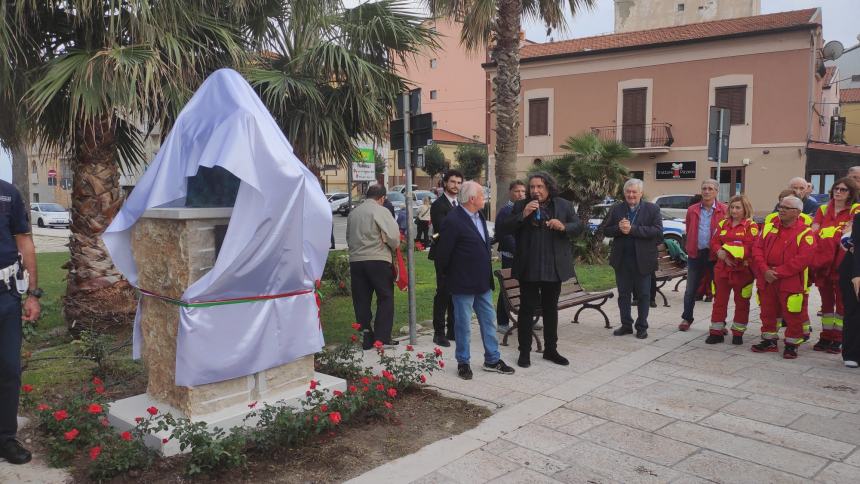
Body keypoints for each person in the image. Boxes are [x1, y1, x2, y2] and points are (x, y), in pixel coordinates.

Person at [496, 172, 583, 368]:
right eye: (532, 187)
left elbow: (578, 227)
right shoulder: (520, 205)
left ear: (548, 188)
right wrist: (523, 214)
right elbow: (502, 230)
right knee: (526, 310)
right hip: (529, 267)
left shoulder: (563, 205)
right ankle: (524, 352)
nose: (535, 191)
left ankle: (551, 350)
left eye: (539, 187)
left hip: (554, 267)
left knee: (551, 310)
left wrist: (564, 226)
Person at [434, 181, 516, 380]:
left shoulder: (478, 215)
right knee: (463, 325)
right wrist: (448, 277)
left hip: (482, 281)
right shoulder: (453, 220)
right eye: (482, 195)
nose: (484, 198)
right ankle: (463, 361)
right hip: (462, 282)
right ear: (472, 199)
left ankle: (492, 359)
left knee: (488, 321)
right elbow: (442, 254)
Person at [0, 179, 42, 465]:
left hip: (6, 296)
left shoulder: (8, 193)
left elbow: (24, 241)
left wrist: (33, 295)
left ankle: (4, 438)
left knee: (9, 370)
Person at [751, 196, 814, 359]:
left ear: (798, 212)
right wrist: (765, 270)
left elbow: (802, 259)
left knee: (793, 313)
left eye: (787, 208)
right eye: (780, 206)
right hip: (767, 277)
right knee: (767, 311)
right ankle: (769, 340)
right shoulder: (768, 227)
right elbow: (757, 250)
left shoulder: (805, 232)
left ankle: (792, 344)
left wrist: (777, 273)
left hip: (789, 280)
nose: (781, 210)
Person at [603, 179, 663, 339]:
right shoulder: (617, 209)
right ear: (624, 193)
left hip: (643, 260)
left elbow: (657, 231)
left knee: (644, 295)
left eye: (634, 192)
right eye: (628, 192)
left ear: (641, 193)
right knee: (623, 295)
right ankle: (626, 325)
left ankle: (642, 326)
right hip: (622, 260)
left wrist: (633, 229)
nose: (631, 195)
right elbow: (606, 230)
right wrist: (619, 229)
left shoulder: (652, 209)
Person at [346, 184, 401, 350]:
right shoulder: (381, 211)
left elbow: (348, 236)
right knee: (385, 297)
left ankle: (366, 337)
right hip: (378, 259)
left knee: (361, 300)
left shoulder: (353, 212)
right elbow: (394, 237)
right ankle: (382, 336)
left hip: (356, 260)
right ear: (382, 198)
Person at [810, 178, 860, 354]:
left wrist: (832, 234)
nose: (838, 192)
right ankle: (826, 335)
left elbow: (851, 232)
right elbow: (814, 231)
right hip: (824, 263)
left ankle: (838, 338)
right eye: (836, 189)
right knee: (826, 302)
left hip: (843, 263)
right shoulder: (823, 209)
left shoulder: (855, 209)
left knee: (842, 304)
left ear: (851, 193)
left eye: (843, 190)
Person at [707, 195, 758, 345]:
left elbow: (752, 248)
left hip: (742, 271)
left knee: (742, 303)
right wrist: (720, 253)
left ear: (745, 209)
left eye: (738, 207)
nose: (734, 210)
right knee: (719, 301)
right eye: (732, 207)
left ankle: (738, 333)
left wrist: (731, 253)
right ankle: (716, 332)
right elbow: (714, 242)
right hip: (722, 269)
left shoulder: (751, 226)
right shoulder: (723, 224)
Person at [678, 180, 726, 331]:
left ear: (716, 192)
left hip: (716, 255)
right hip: (696, 254)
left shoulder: (724, 209)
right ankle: (687, 318)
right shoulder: (692, 209)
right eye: (704, 188)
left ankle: (719, 322)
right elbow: (689, 228)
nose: (706, 191)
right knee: (690, 289)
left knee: (720, 290)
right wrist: (689, 247)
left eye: (710, 189)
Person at [428, 170, 464, 347]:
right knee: (442, 293)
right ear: (445, 183)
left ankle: (452, 330)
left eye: (459, 182)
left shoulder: (460, 204)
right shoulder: (439, 205)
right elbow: (443, 229)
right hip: (443, 255)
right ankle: (438, 333)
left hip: (458, 256)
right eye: (452, 182)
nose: (456, 185)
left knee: (454, 293)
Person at [494, 180, 526, 334]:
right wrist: (519, 251)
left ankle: (527, 319)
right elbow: (504, 235)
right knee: (507, 289)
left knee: (525, 289)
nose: (520, 194)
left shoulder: (526, 210)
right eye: (517, 191)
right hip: (511, 257)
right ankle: (502, 322)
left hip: (524, 257)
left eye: (523, 191)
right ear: (510, 192)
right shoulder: (506, 211)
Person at [840, 212, 860, 368]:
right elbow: (858, 245)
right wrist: (857, 274)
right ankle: (852, 353)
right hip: (854, 269)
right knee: (854, 311)